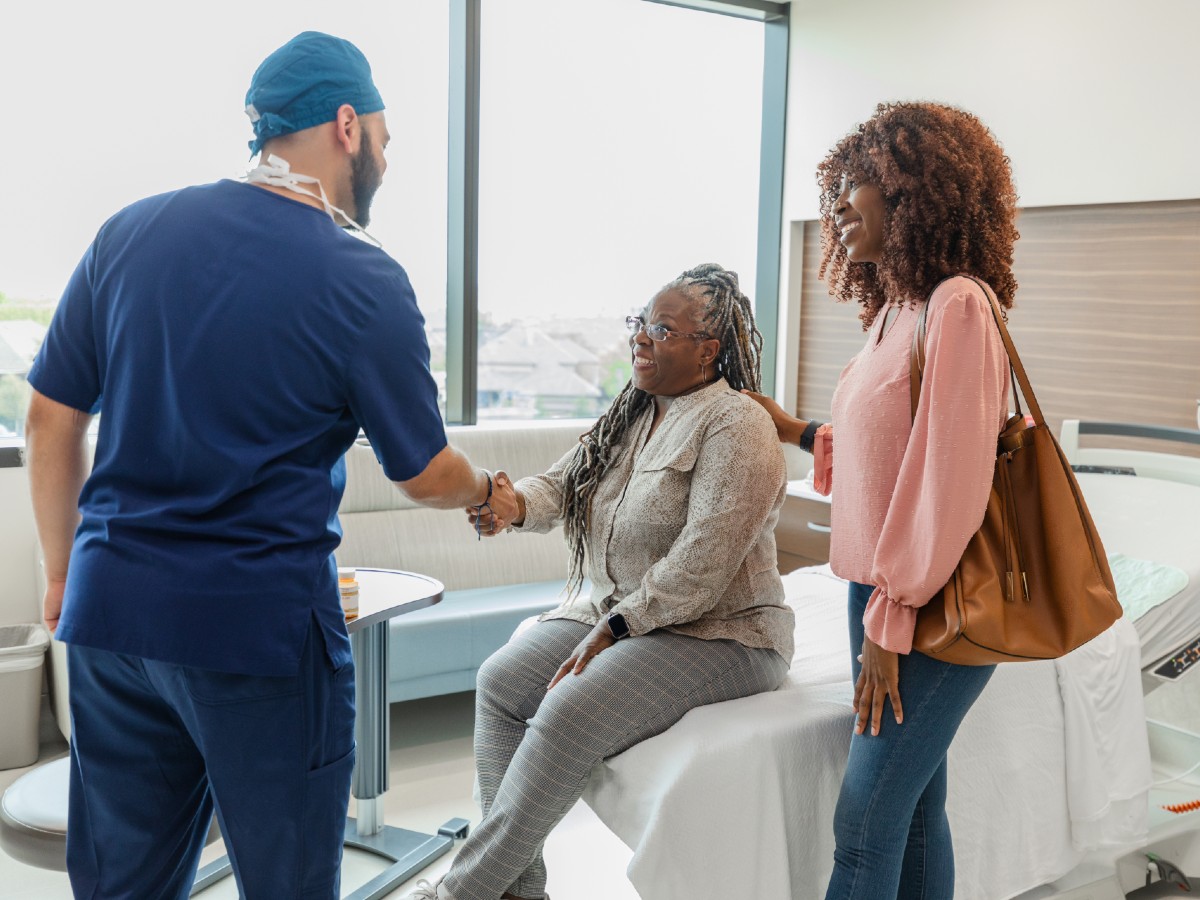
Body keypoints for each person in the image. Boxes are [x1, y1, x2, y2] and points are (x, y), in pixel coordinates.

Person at [24, 31, 516, 900]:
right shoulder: (360, 277)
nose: (387, 163)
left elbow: (48, 418)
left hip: (110, 617)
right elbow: (422, 471)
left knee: (121, 886)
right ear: (345, 126)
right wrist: (487, 493)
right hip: (254, 634)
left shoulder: (129, 234)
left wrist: (63, 574)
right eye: (386, 139)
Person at [406, 263, 794, 900]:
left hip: (723, 635)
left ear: (708, 350)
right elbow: (561, 484)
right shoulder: (633, 414)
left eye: (662, 328)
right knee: (500, 682)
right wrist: (512, 505)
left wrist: (614, 629)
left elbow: (704, 561)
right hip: (628, 614)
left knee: (568, 708)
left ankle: (462, 893)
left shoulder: (736, 425)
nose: (641, 337)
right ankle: (520, 892)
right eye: (640, 322)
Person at [746, 101, 1019, 899]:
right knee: (914, 813)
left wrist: (892, 616)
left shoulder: (959, 305)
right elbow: (887, 450)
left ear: (909, 194)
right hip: (881, 592)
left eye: (853, 187)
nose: (836, 207)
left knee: (862, 830)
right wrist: (799, 431)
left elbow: (948, 482)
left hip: (927, 605)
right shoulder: (898, 308)